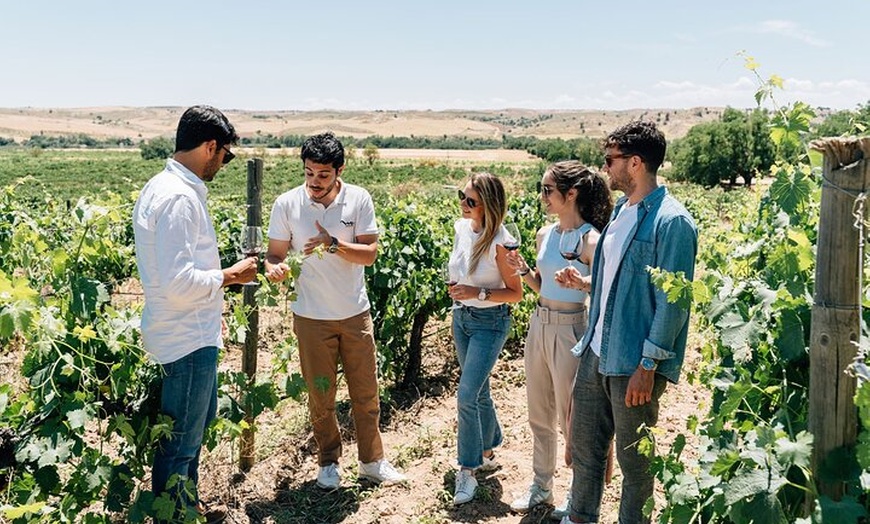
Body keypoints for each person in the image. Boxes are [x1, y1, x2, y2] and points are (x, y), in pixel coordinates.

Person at [560, 121, 698, 524]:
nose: (605, 169)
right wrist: (587, 282)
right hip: (596, 350)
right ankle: (580, 518)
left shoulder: (672, 223)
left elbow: (673, 306)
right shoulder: (622, 212)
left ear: (635, 163)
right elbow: (623, 282)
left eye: (610, 160)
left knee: (634, 467)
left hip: (633, 363)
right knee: (586, 452)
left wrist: (648, 366)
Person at [133, 105, 258, 523]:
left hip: (186, 330)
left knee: (189, 431)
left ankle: (188, 507)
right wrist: (230, 275)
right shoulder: (179, 199)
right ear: (210, 147)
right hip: (185, 337)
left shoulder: (161, 187)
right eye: (225, 155)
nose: (224, 163)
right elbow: (179, 282)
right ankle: (177, 516)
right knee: (182, 444)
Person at [264, 132, 406, 490]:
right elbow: (274, 254)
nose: (314, 182)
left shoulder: (359, 199)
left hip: (354, 312)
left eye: (323, 175)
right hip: (310, 316)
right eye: (309, 173)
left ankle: (372, 462)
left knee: (366, 392)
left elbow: (370, 254)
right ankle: (328, 463)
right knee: (320, 395)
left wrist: (332, 244)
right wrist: (274, 269)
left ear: (339, 170)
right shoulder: (286, 204)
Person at [504, 161, 613, 518]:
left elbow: (607, 289)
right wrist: (524, 271)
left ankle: (575, 494)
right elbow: (541, 282)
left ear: (572, 194)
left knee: (573, 417)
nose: (543, 197)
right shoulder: (544, 234)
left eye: (548, 190)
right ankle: (542, 486)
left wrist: (582, 284)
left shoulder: (591, 240)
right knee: (539, 410)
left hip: (571, 328)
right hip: (539, 324)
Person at [446, 172, 523, 505]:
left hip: (490, 322)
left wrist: (475, 292)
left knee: (466, 394)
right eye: (462, 197)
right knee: (479, 391)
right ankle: (489, 447)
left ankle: (469, 469)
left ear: (488, 206)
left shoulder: (501, 243)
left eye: (471, 201)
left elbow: (515, 294)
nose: (464, 204)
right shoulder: (462, 228)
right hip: (461, 318)